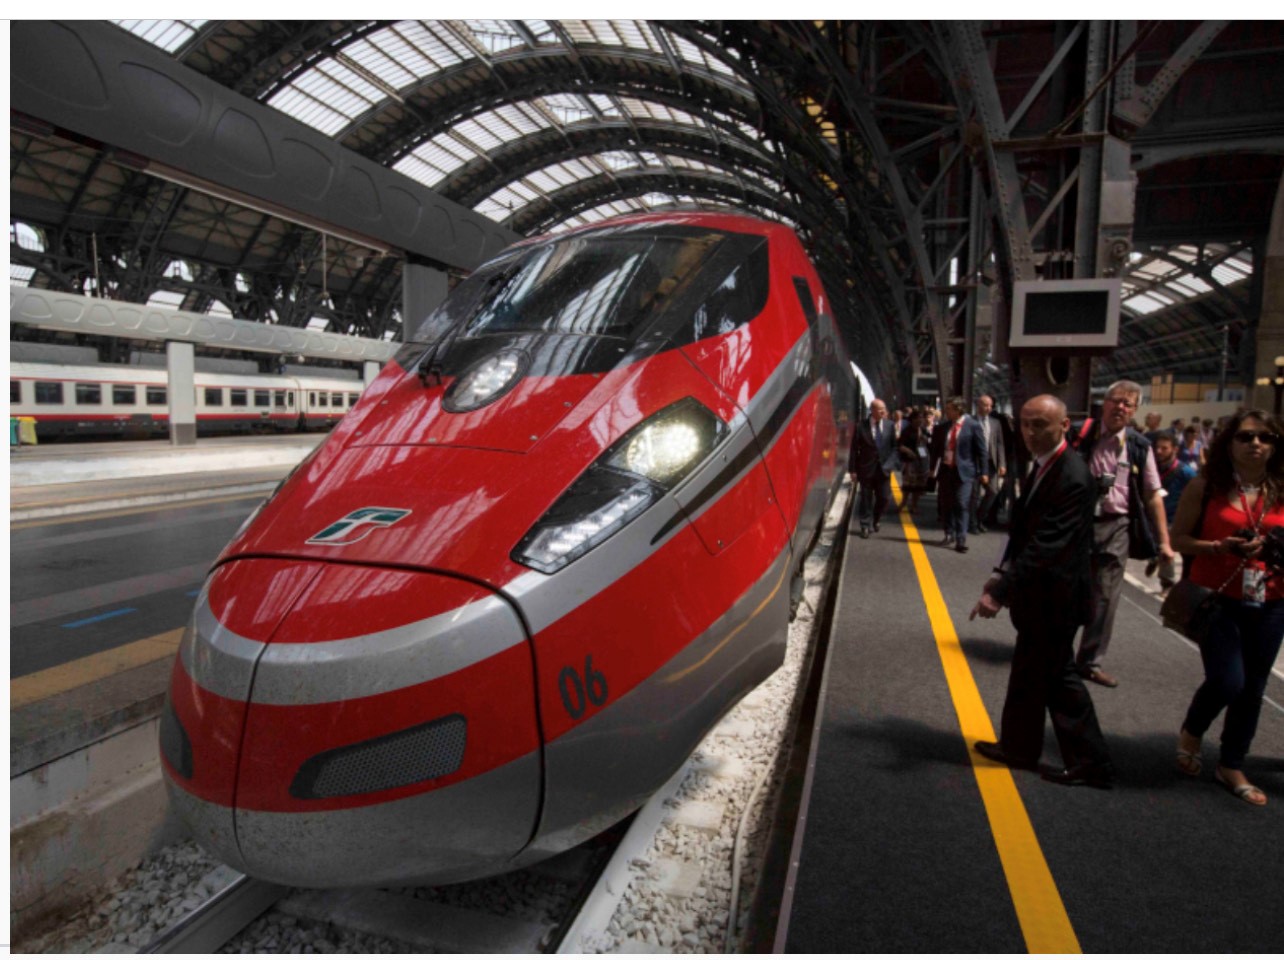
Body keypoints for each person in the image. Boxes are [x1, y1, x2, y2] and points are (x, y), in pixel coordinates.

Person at [970, 394, 1114, 788]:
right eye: (1025, 423)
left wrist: (1000, 591)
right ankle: (1019, 747)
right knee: (1028, 674)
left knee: (1058, 678)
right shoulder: (1045, 465)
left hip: (1057, 598)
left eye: (1040, 425)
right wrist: (1001, 571)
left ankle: (1091, 761)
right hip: (1041, 596)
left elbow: (1047, 545)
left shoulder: (1073, 475)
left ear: (1064, 425)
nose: (1029, 432)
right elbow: (1024, 532)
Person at [1170, 409, 1284, 807]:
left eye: (1266, 437)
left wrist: (1271, 548)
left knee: (1253, 688)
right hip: (1216, 597)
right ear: (1229, 442)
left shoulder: (1281, 489)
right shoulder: (1206, 486)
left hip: (1270, 600)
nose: (1256, 443)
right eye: (1247, 436)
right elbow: (1179, 538)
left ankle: (1231, 764)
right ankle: (1192, 730)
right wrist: (1219, 547)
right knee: (1228, 680)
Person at [1072, 380, 1177, 687]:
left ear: (1134, 411)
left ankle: (1089, 661)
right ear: (1103, 403)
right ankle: (1056, 652)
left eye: (1127, 404)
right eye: (1115, 400)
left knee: (1105, 596)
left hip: (1115, 525)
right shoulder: (1078, 434)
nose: (1120, 407)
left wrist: (1165, 543)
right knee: (1066, 588)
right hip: (1075, 524)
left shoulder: (1138, 446)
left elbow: (1153, 494)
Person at [1147, 431, 1198, 591]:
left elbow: (1197, 494)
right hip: (1153, 516)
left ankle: (1167, 583)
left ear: (1175, 449)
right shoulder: (1152, 467)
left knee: (1167, 547)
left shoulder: (1186, 473)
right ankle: (1154, 556)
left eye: (1165, 448)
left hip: (1174, 519)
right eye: (1157, 448)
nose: (1159, 451)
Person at [936, 396, 987, 554]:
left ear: (958, 410)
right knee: (946, 504)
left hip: (964, 472)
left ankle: (961, 539)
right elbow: (937, 449)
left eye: (949, 409)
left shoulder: (973, 426)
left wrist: (984, 472)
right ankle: (949, 533)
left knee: (961, 503)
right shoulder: (944, 427)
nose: (946, 412)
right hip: (946, 470)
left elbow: (982, 451)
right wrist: (933, 468)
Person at [849, 398, 900, 538]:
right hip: (866, 468)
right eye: (880, 409)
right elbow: (854, 449)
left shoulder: (890, 426)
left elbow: (895, 448)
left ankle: (876, 519)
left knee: (883, 498)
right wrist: (852, 470)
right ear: (872, 410)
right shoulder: (861, 426)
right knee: (866, 498)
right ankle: (865, 525)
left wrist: (890, 465)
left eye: (884, 408)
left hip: (884, 470)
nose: (883, 411)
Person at [971, 394, 1007, 534]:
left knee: (993, 491)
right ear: (978, 405)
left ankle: (979, 518)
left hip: (990, 462)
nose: (989, 408)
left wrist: (1002, 463)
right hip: (974, 462)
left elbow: (1000, 444)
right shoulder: (970, 421)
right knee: (974, 495)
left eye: (990, 405)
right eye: (986, 405)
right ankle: (973, 524)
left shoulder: (995, 423)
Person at [896, 408, 930, 515]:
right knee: (908, 485)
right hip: (910, 461)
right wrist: (908, 451)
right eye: (917, 418)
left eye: (921, 418)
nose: (919, 420)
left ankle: (914, 505)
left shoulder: (924, 430)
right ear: (913, 419)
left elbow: (929, 442)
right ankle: (904, 502)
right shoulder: (907, 431)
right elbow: (900, 445)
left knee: (918, 486)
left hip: (921, 461)